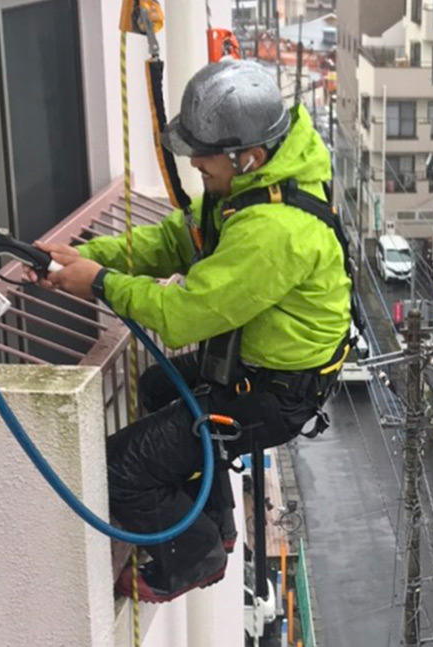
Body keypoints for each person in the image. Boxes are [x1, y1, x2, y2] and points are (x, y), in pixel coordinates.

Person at [34, 60, 352, 602]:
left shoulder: (275, 230)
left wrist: (99, 284)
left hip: (274, 395)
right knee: (160, 387)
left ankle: (195, 554)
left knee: (116, 470)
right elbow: (175, 242)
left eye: (204, 170)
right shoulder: (255, 186)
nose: (200, 177)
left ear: (245, 156)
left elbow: (185, 314)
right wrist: (84, 257)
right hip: (257, 370)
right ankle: (217, 522)